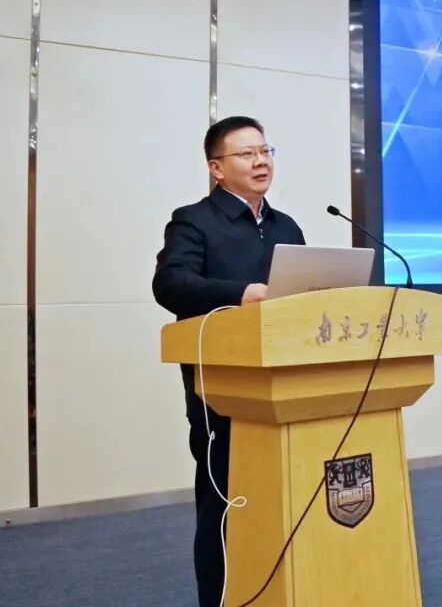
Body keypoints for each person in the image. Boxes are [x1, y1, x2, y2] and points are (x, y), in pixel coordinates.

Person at [153, 115, 305, 607]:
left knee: (288, 499)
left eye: (265, 151)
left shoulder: (287, 227)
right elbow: (170, 285)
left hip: (288, 387)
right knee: (224, 502)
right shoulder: (194, 220)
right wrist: (241, 293)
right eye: (247, 154)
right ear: (216, 168)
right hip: (222, 393)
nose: (261, 162)